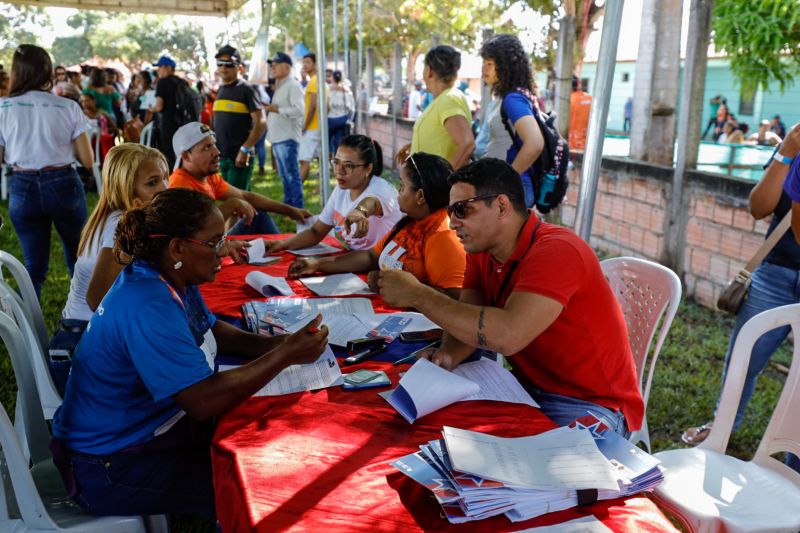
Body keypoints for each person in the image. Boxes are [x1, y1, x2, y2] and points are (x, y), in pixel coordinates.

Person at [51, 187, 329, 518]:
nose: (223, 250)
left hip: (130, 438)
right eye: (213, 243)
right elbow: (201, 401)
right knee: (255, 490)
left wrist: (278, 344)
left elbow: (207, 327)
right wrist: (285, 356)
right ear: (177, 247)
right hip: (108, 467)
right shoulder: (149, 304)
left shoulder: (165, 274)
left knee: (261, 444)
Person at [376, 158, 644, 436]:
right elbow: (468, 314)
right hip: (526, 390)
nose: (452, 221)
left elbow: (508, 335)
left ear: (502, 206)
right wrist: (448, 355)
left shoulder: (558, 251)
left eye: (461, 209)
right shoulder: (482, 252)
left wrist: (419, 295)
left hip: (591, 404)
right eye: (449, 210)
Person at [684, 124, 800, 451]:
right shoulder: (794, 147)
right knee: (744, 357)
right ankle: (721, 428)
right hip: (776, 270)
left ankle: (794, 454)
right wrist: (787, 151)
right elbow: (759, 207)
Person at [288, 152, 465, 298]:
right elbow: (371, 257)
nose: (398, 191)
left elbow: (454, 299)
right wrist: (318, 264)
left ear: (420, 197)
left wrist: (393, 284)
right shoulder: (411, 221)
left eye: (402, 187)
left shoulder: (442, 236)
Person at [0, 44, 93, 297]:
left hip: (21, 185)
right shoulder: (68, 106)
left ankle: (26, 328)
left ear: (17, 71)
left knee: (33, 266)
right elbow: (87, 159)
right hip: (64, 183)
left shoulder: (3, 108)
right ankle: (83, 321)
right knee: (79, 260)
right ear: (47, 71)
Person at [265, 135, 401, 253]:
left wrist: (360, 211)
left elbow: (371, 202)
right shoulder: (343, 188)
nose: (339, 171)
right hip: (357, 260)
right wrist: (281, 244)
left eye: (349, 165)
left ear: (368, 168)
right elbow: (316, 232)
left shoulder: (381, 190)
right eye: (336, 162)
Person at [169, 122, 311, 235]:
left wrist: (291, 211)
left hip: (212, 244)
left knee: (257, 214)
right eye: (207, 148)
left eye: (214, 144)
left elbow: (245, 196)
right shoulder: (179, 187)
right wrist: (231, 205)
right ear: (186, 156)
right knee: (257, 216)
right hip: (200, 255)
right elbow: (198, 234)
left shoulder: (206, 176)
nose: (217, 152)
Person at [480, 34, 545, 209]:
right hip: (508, 190)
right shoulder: (508, 97)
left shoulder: (513, 99)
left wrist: (506, 180)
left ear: (505, 67)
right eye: (484, 63)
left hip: (513, 191)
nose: (484, 69)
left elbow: (535, 143)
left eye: (490, 64)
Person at [403, 45, 474, 170]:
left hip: (436, 187)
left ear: (429, 71)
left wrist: (444, 182)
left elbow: (467, 144)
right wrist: (413, 146)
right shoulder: (444, 99)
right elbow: (443, 138)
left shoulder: (448, 99)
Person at [212, 45, 265, 191]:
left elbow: (261, 122)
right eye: (220, 64)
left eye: (229, 64)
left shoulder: (246, 89)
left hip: (240, 155)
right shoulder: (221, 90)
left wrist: (245, 149)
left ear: (239, 67)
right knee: (239, 200)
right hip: (223, 156)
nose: (223, 68)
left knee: (238, 202)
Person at [265, 52, 306, 209]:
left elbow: (299, 110)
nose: (272, 67)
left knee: (291, 174)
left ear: (287, 67)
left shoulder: (293, 86)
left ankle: (298, 207)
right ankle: (289, 205)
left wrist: (277, 110)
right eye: (272, 64)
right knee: (284, 175)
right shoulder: (281, 84)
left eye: (276, 63)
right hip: (278, 137)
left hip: (287, 137)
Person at [152, 55, 183, 169]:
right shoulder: (181, 82)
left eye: (160, 67)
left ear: (168, 68)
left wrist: (152, 108)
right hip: (182, 123)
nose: (158, 70)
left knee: (169, 155)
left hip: (168, 124)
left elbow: (159, 106)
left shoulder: (163, 82)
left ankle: (171, 180)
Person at [299, 52, 324, 182]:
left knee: (304, 159)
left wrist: (305, 126)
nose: (305, 65)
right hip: (318, 126)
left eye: (308, 62)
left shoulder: (314, 80)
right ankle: (322, 190)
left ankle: (295, 193)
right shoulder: (317, 80)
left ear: (315, 64)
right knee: (322, 159)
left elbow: (313, 106)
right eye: (304, 62)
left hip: (312, 126)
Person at [79, 92, 117, 162]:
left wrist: (104, 128)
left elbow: (114, 129)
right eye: (82, 101)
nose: (84, 103)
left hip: (100, 143)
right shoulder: (80, 115)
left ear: (94, 101)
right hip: (87, 144)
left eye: (87, 100)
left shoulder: (102, 113)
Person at [328, 70, 354, 154]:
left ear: (333, 77)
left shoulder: (327, 88)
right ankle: (338, 161)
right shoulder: (346, 89)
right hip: (342, 119)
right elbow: (351, 107)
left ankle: (329, 161)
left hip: (329, 119)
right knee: (339, 142)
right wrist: (350, 118)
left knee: (327, 142)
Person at [568, 76, 592, 151]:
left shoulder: (567, 101)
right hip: (588, 145)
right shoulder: (590, 99)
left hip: (570, 145)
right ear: (579, 84)